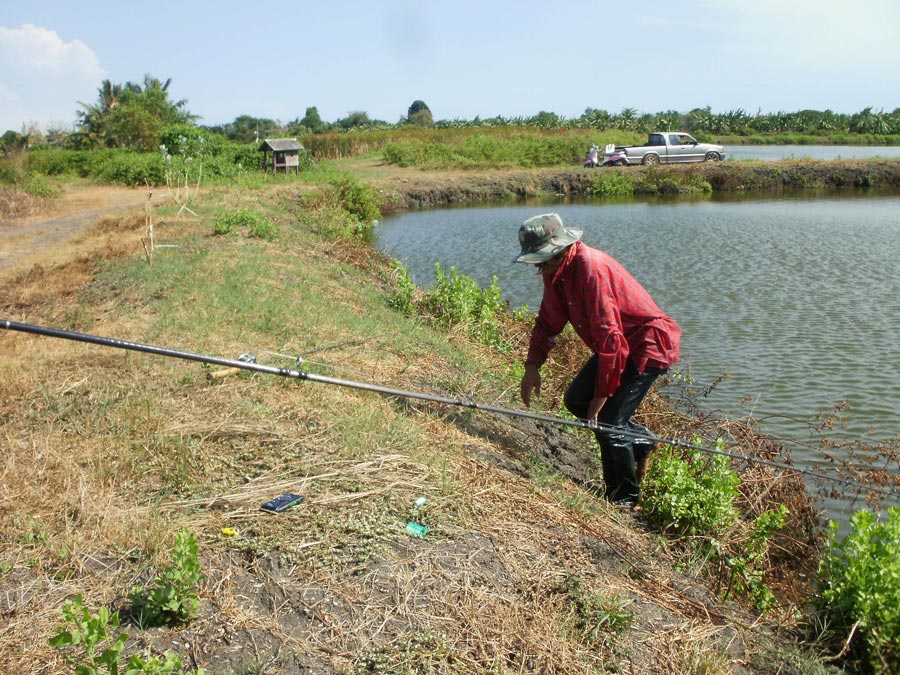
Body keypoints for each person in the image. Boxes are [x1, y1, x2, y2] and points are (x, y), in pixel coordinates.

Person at [515, 213, 681, 508]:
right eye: (537, 260)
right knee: (577, 400)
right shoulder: (556, 273)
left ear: (563, 248)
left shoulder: (590, 270)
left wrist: (602, 396)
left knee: (605, 421)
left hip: (646, 344)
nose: (540, 266)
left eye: (544, 259)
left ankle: (624, 500)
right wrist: (532, 367)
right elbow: (548, 322)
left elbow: (613, 341)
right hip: (618, 345)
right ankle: (640, 442)